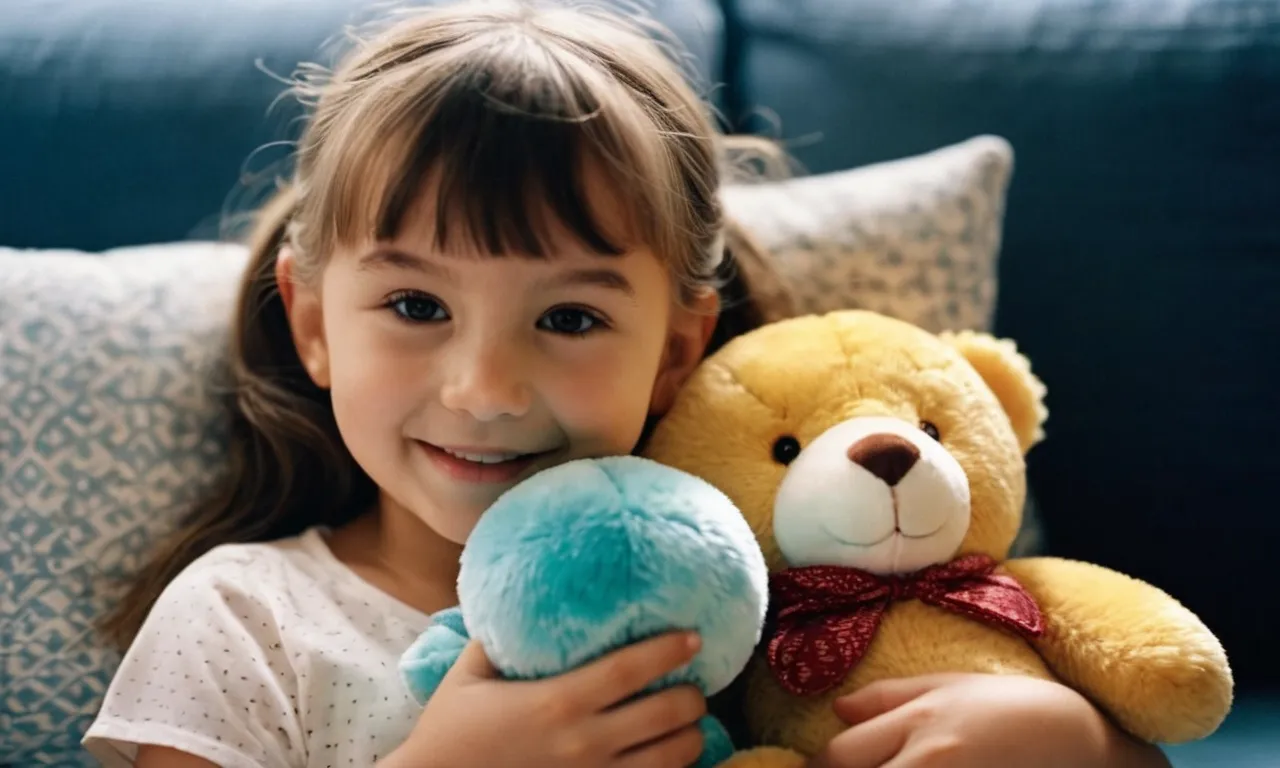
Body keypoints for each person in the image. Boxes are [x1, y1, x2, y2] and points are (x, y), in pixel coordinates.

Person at [83, 2, 1172, 767]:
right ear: (314, 324)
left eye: (568, 318)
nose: (484, 389)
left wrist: (1076, 743)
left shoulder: (788, 586)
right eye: (416, 307)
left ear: (673, 352)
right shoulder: (246, 621)